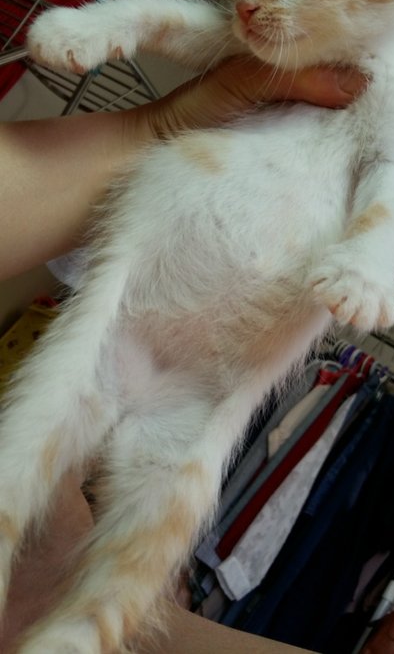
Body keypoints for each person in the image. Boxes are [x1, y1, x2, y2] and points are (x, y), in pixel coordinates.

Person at [0, 56, 364, 652]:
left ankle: (79, 620)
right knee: (37, 463)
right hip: (141, 317)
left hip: (202, 370)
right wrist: (156, 121)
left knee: (141, 508)